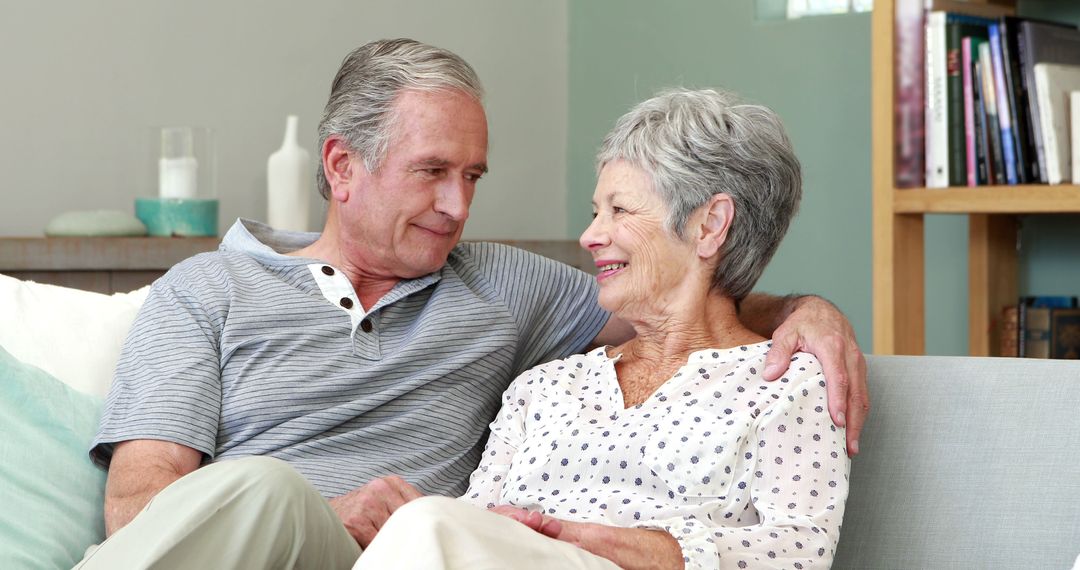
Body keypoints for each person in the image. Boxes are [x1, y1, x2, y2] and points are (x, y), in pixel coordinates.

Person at [76, 39, 865, 569]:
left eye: (473, 177)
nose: (458, 206)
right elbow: (137, 513)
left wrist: (808, 310)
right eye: (432, 172)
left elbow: (682, 299)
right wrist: (325, 510)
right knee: (266, 489)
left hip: (413, 553)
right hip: (258, 550)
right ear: (342, 167)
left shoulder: (507, 284)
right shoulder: (205, 291)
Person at [354, 88, 848, 570]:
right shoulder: (544, 387)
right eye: (596, 213)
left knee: (425, 522)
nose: (590, 236)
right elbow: (473, 525)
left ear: (709, 225)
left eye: (620, 210)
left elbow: (800, 550)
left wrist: (592, 542)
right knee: (426, 523)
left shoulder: (786, 385)